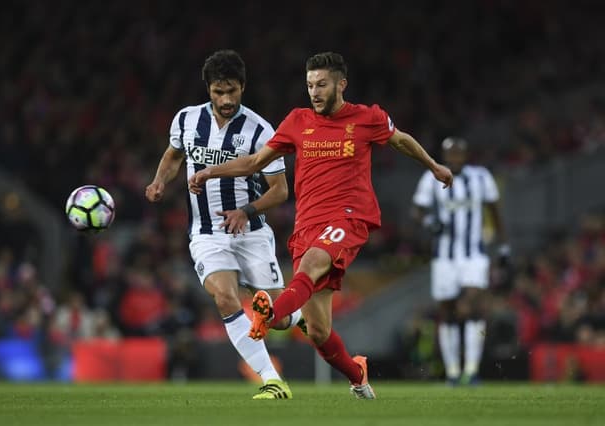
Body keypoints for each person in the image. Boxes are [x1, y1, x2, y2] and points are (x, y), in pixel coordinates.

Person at [188, 52, 453, 399]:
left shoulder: (366, 118)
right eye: (310, 84)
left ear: (341, 84)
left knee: (311, 266)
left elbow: (400, 140)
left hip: (348, 216)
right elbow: (254, 162)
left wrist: (433, 165)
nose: (314, 91)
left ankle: (267, 316)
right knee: (317, 330)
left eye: (322, 84)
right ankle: (356, 374)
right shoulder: (298, 121)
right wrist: (210, 171)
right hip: (307, 225)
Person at [145, 50, 303, 400]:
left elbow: (280, 191)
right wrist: (160, 181)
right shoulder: (186, 120)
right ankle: (271, 380)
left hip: (251, 232)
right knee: (225, 297)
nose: (226, 99)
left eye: (232, 90)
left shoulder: (261, 131)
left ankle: (295, 315)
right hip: (206, 233)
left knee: (276, 318)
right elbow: (173, 156)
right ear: (208, 89)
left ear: (243, 87)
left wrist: (246, 210)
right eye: (219, 91)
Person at [411, 137, 509, 385]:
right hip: (444, 257)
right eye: (450, 154)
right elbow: (417, 210)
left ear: (466, 155)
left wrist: (504, 245)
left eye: (458, 154)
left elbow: (495, 211)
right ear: (444, 155)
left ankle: (472, 370)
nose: (454, 158)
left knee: (470, 305)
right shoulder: (432, 176)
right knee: (447, 313)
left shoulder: (481, 177)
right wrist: (429, 222)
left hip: (474, 254)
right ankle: (454, 372)